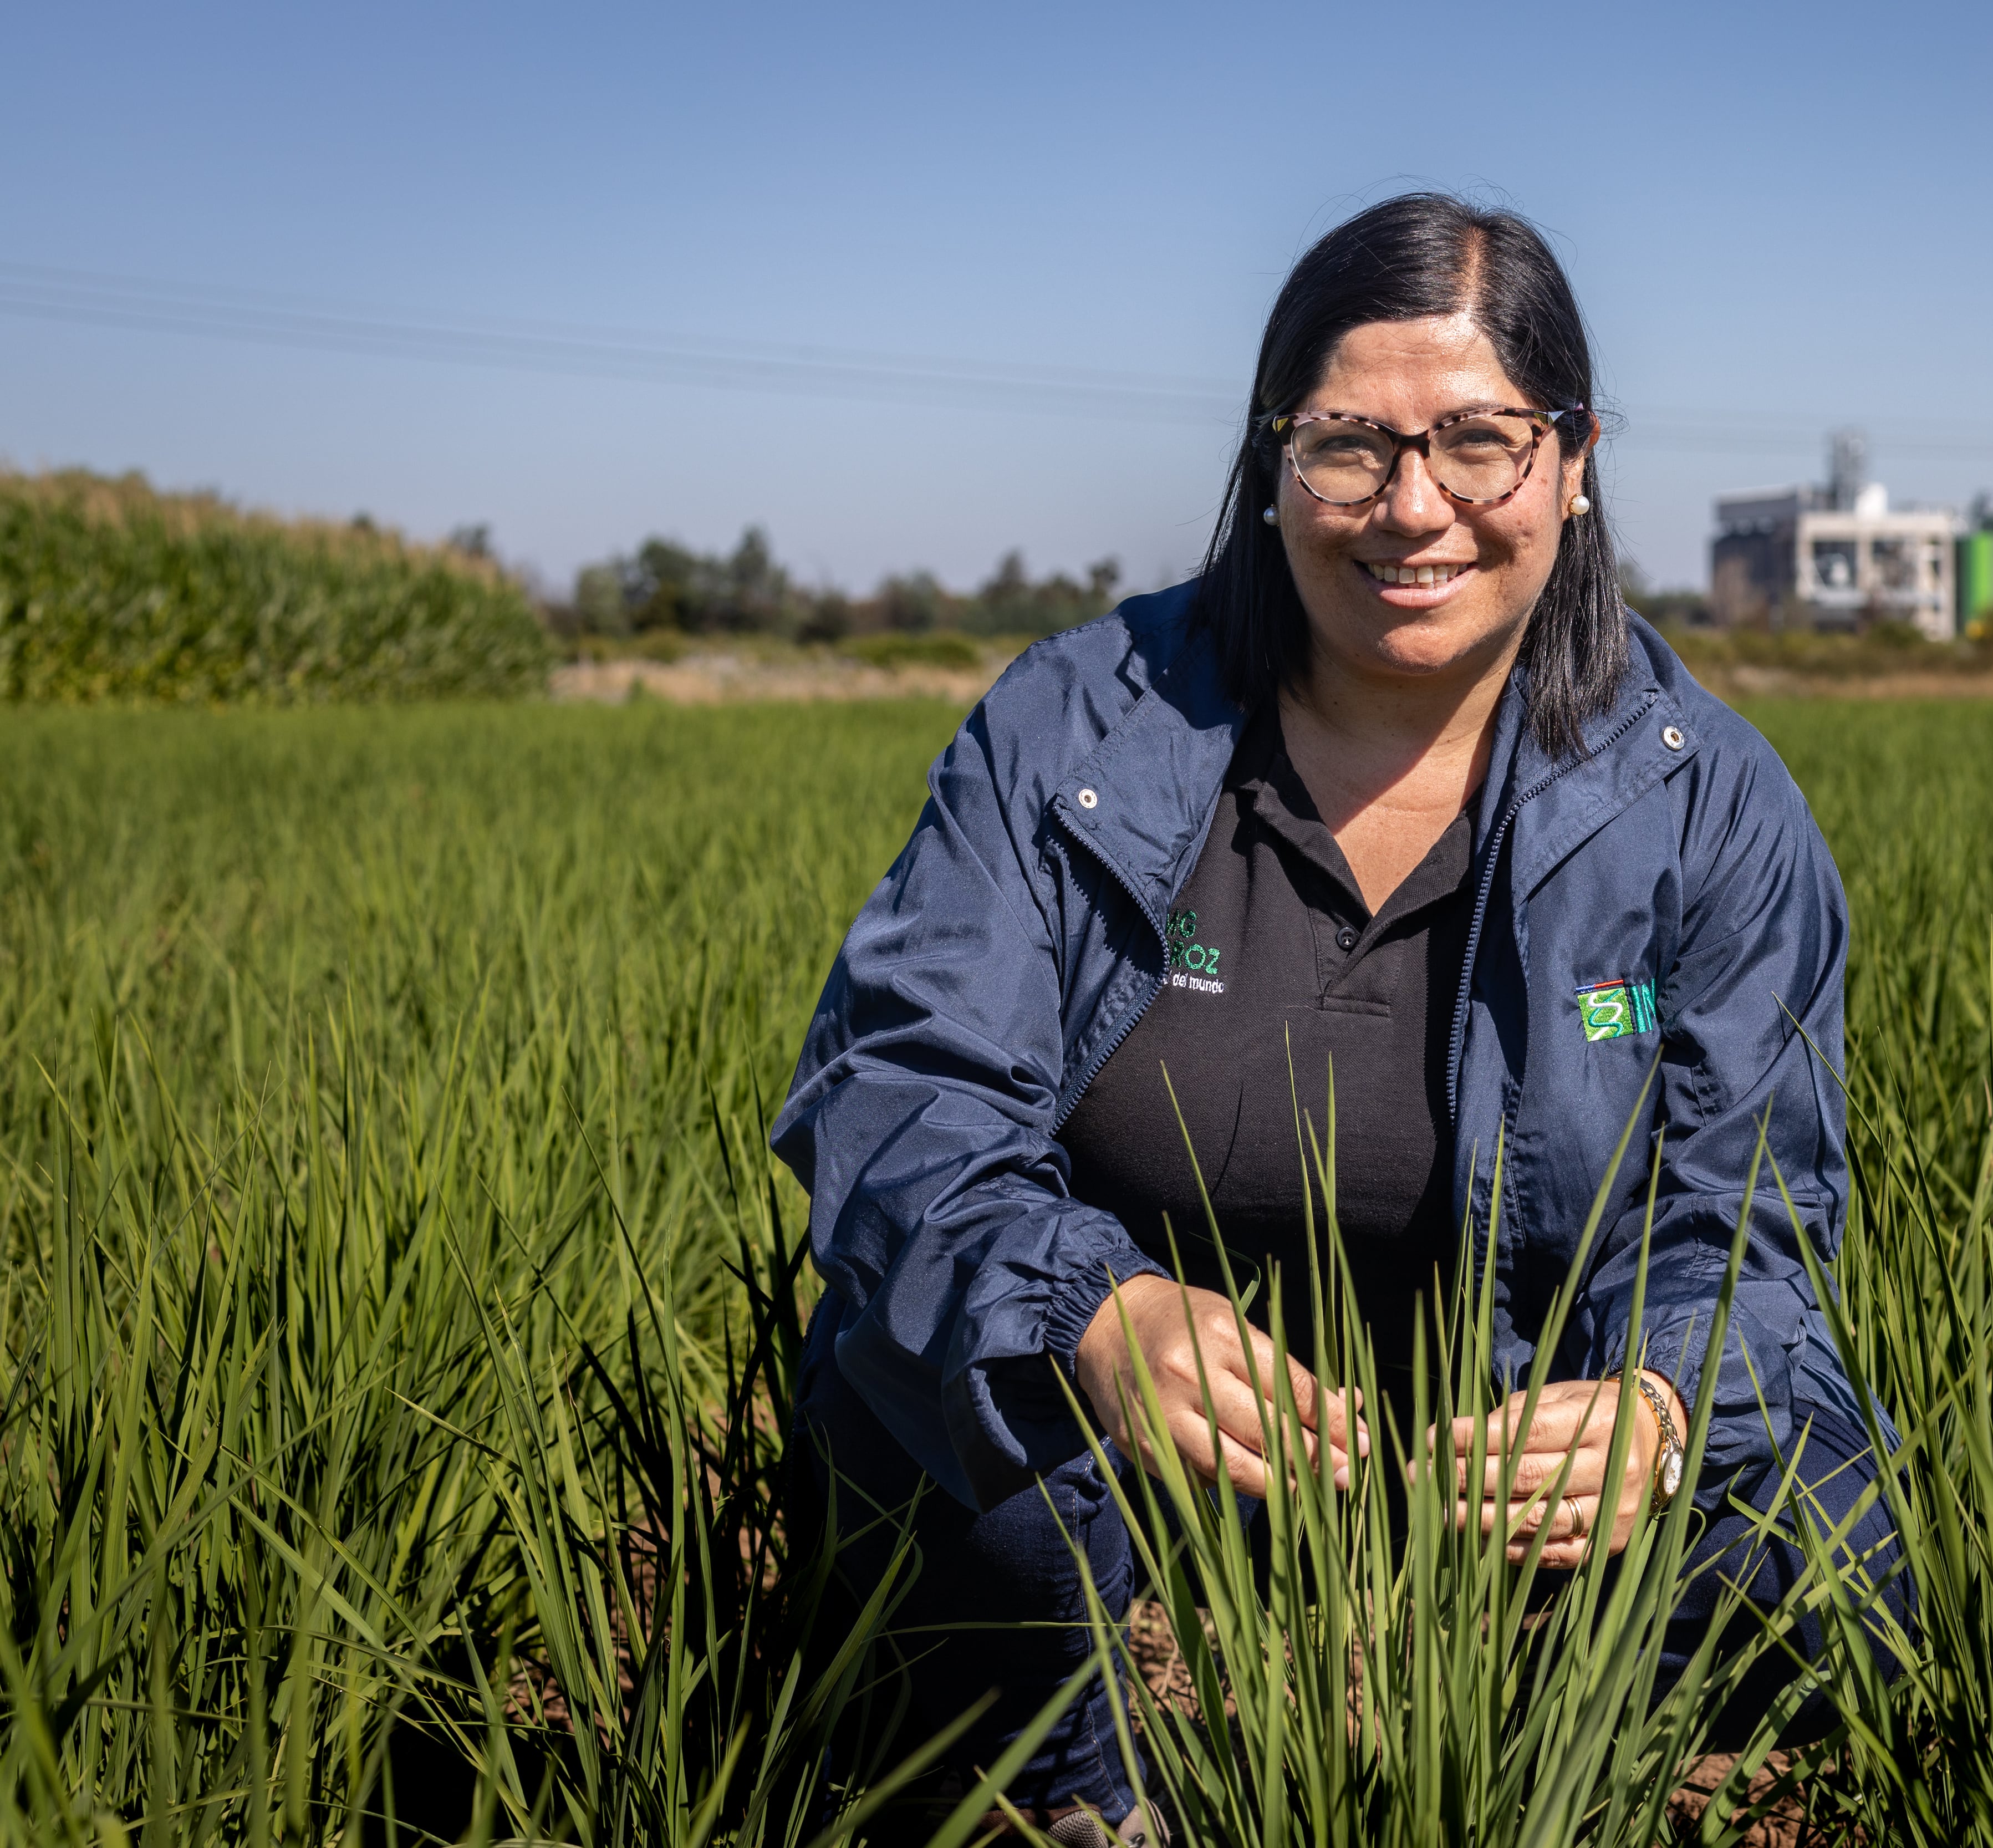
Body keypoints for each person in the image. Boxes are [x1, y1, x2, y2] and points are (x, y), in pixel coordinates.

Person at [773, 193, 1905, 1845]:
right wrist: (1097, 1317)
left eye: (1479, 441)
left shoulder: (1708, 804)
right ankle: (1081, 1799)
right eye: (1349, 447)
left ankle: (1566, 1776)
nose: (1413, 507)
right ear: (1272, 458)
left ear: (1575, 461)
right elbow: (897, 1097)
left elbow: (1753, 1216)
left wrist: (1656, 1409)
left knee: (1825, 1518)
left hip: (1497, 1494)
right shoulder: (1076, 725)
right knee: (932, 1391)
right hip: (1127, 1469)